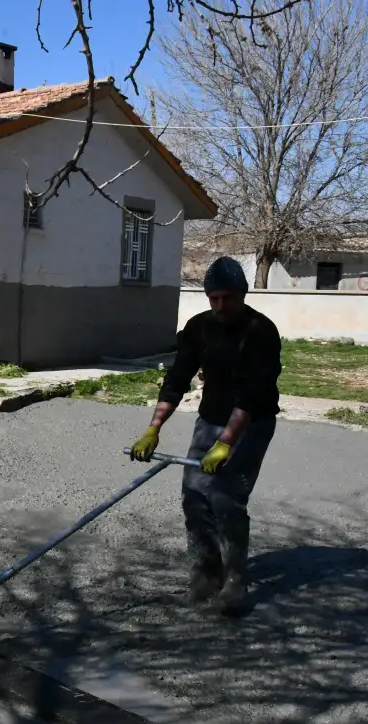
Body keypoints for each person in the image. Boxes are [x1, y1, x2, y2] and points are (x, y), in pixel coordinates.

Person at [128, 256, 282, 615]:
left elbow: (253, 394)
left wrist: (226, 443)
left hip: (252, 422)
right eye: (213, 298)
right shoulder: (199, 327)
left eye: (227, 297)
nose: (220, 305)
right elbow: (177, 379)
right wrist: (153, 428)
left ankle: (235, 581)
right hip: (210, 418)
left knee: (226, 497)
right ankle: (205, 573)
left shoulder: (261, 331)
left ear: (243, 294)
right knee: (194, 495)